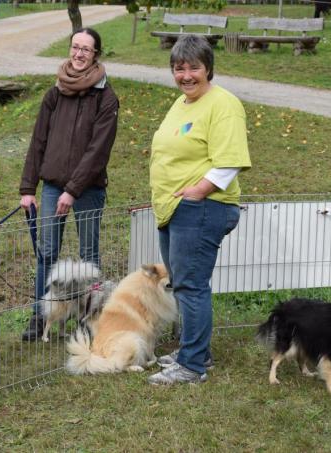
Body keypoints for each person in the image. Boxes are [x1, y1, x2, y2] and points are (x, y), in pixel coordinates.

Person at [146, 35, 252, 385]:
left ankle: (192, 365)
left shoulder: (223, 104)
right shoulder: (181, 103)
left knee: (191, 286)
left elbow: (229, 160)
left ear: (208, 68)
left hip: (201, 208)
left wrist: (197, 192)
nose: (186, 75)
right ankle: (196, 351)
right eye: (179, 68)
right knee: (183, 283)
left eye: (194, 67)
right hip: (174, 208)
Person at [19, 27, 119, 341]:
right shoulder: (55, 93)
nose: (78, 54)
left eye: (85, 49)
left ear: (95, 55)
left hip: (88, 190)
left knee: (89, 255)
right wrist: (27, 188)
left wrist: (72, 190)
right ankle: (40, 316)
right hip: (52, 187)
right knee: (47, 252)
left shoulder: (106, 98)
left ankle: (90, 319)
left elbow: (98, 151)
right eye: (75, 47)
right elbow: (38, 140)